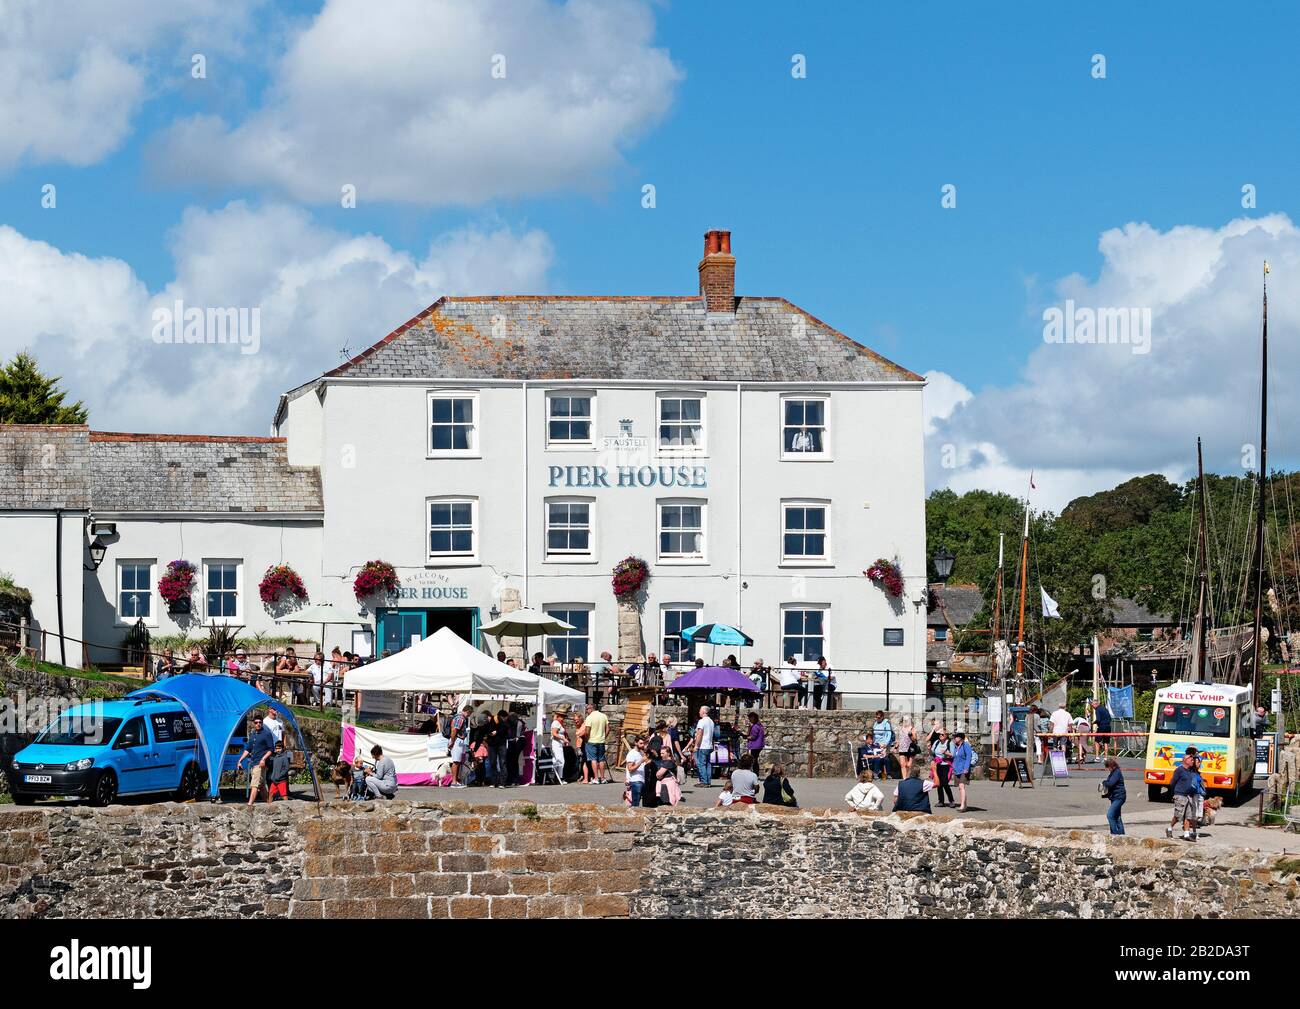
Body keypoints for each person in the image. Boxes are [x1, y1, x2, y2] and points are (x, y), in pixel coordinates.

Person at [236, 714, 276, 805]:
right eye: (256, 722)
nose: (258, 724)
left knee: (254, 785)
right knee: (261, 786)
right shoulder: (253, 734)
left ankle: (249, 805)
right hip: (254, 763)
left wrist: (263, 759)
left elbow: (271, 749)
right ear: (253, 723)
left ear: (262, 723)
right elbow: (248, 749)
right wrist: (240, 760)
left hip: (261, 763)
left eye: (260, 722)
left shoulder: (267, 734)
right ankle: (269, 805)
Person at [1167, 752, 1200, 841]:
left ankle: (1186, 834)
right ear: (1185, 760)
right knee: (1178, 815)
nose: (1193, 761)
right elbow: (1172, 783)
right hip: (1180, 795)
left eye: (1193, 759)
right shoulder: (1179, 770)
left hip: (1189, 796)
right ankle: (1169, 828)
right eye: (1191, 759)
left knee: (1188, 816)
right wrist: (1174, 793)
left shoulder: (1191, 771)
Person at [582, 702, 610, 784]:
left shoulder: (589, 717)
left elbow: (587, 731)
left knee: (593, 759)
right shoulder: (603, 716)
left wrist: (586, 739)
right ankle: (603, 778)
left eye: (587, 709)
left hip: (591, 741)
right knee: (601, 759)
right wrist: (604, 737)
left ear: (591, 708)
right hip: (601, 741)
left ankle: (596, 778)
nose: (587, 711)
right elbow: (608, 728)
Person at [447, 704, 471, 787]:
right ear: (467, 711)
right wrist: (452, 741)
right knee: (456, 761)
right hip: (457, 740)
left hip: (457, 740)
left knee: (458, 761)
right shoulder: (460, 718)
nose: (469, 715)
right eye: (469, 713)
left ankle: (456, 781)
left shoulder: (458, 717)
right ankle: (454, 782)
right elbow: (454, 730)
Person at [949, 730, 974, 812]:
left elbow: (968, 757)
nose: (955, 738)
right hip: (957, 769)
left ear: (961, 738)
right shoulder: (956, 747)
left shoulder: (966, 745)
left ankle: (962, 805)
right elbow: (955, 758)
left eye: (956, 737)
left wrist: (966, 768)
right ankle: (965, 805)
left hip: (964, 769)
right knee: (960, 788)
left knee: (961, 786)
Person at [1101, 756, 1126, 835]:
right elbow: (1110, 782)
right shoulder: (1113, 772)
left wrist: (1103, 783)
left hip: (1119, 797)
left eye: (1107, 767)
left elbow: (1111, 783)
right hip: (1115, 797)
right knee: (1117, 817)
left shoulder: (1117, 772)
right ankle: (1122, 836)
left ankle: (1114, 835)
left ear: (1111, 766)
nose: (1107, 769)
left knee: (1110, 815)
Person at [486, 710, 511, 788]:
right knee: (493, 762)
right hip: (492, 744)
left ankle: (502, 782)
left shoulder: (504, 723)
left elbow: (506, 728)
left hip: (501, 744)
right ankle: (494, 781)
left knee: (502, 763)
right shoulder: (491, 720)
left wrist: (497, 732)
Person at [693, 705, 716, 787]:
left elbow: (699, 734)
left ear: (704, 712)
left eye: (700, 710)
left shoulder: (701, 721)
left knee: (701, 764)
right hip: (709, 745)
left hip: (703, 745)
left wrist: (696, 745)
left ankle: (704, 781)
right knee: (708, 764)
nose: (699, 712)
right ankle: (708, 781)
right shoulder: (711, 722)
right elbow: (713, 735)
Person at [930, 729, 955, 807]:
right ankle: (941, 801)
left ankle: (951, 801)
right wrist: (929, 749)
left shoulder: (950, 743)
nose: (940, 736)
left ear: (946, 735)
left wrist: (946, 753)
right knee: (938, 783)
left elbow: (953, 755)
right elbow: (932, 753)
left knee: (945, 783)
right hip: (937, 764)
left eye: (942, 734)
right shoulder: (936, 742)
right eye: (939, 734)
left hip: (946, 764)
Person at [624, 735, 649, 806]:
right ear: (636, 743)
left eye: (643, 743)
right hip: (636, 781)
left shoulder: (642, 753)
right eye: (641, 743)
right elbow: (630, 768)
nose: (643, 745)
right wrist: (641, 761)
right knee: (635, 802)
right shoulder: (632, 754)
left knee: (645, 802)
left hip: (643, 780)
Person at [549, 707, 569, 785]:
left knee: (558, 760)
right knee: (560, 760)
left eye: (564, 716)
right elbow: (554, 734)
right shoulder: (556, 723)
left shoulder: (559, 723)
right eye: (562, 716)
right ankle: (559, 778)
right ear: (558, 716)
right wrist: (563, 738)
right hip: (556, 744)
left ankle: (556, 777)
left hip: (559, 744)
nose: (563, 718)